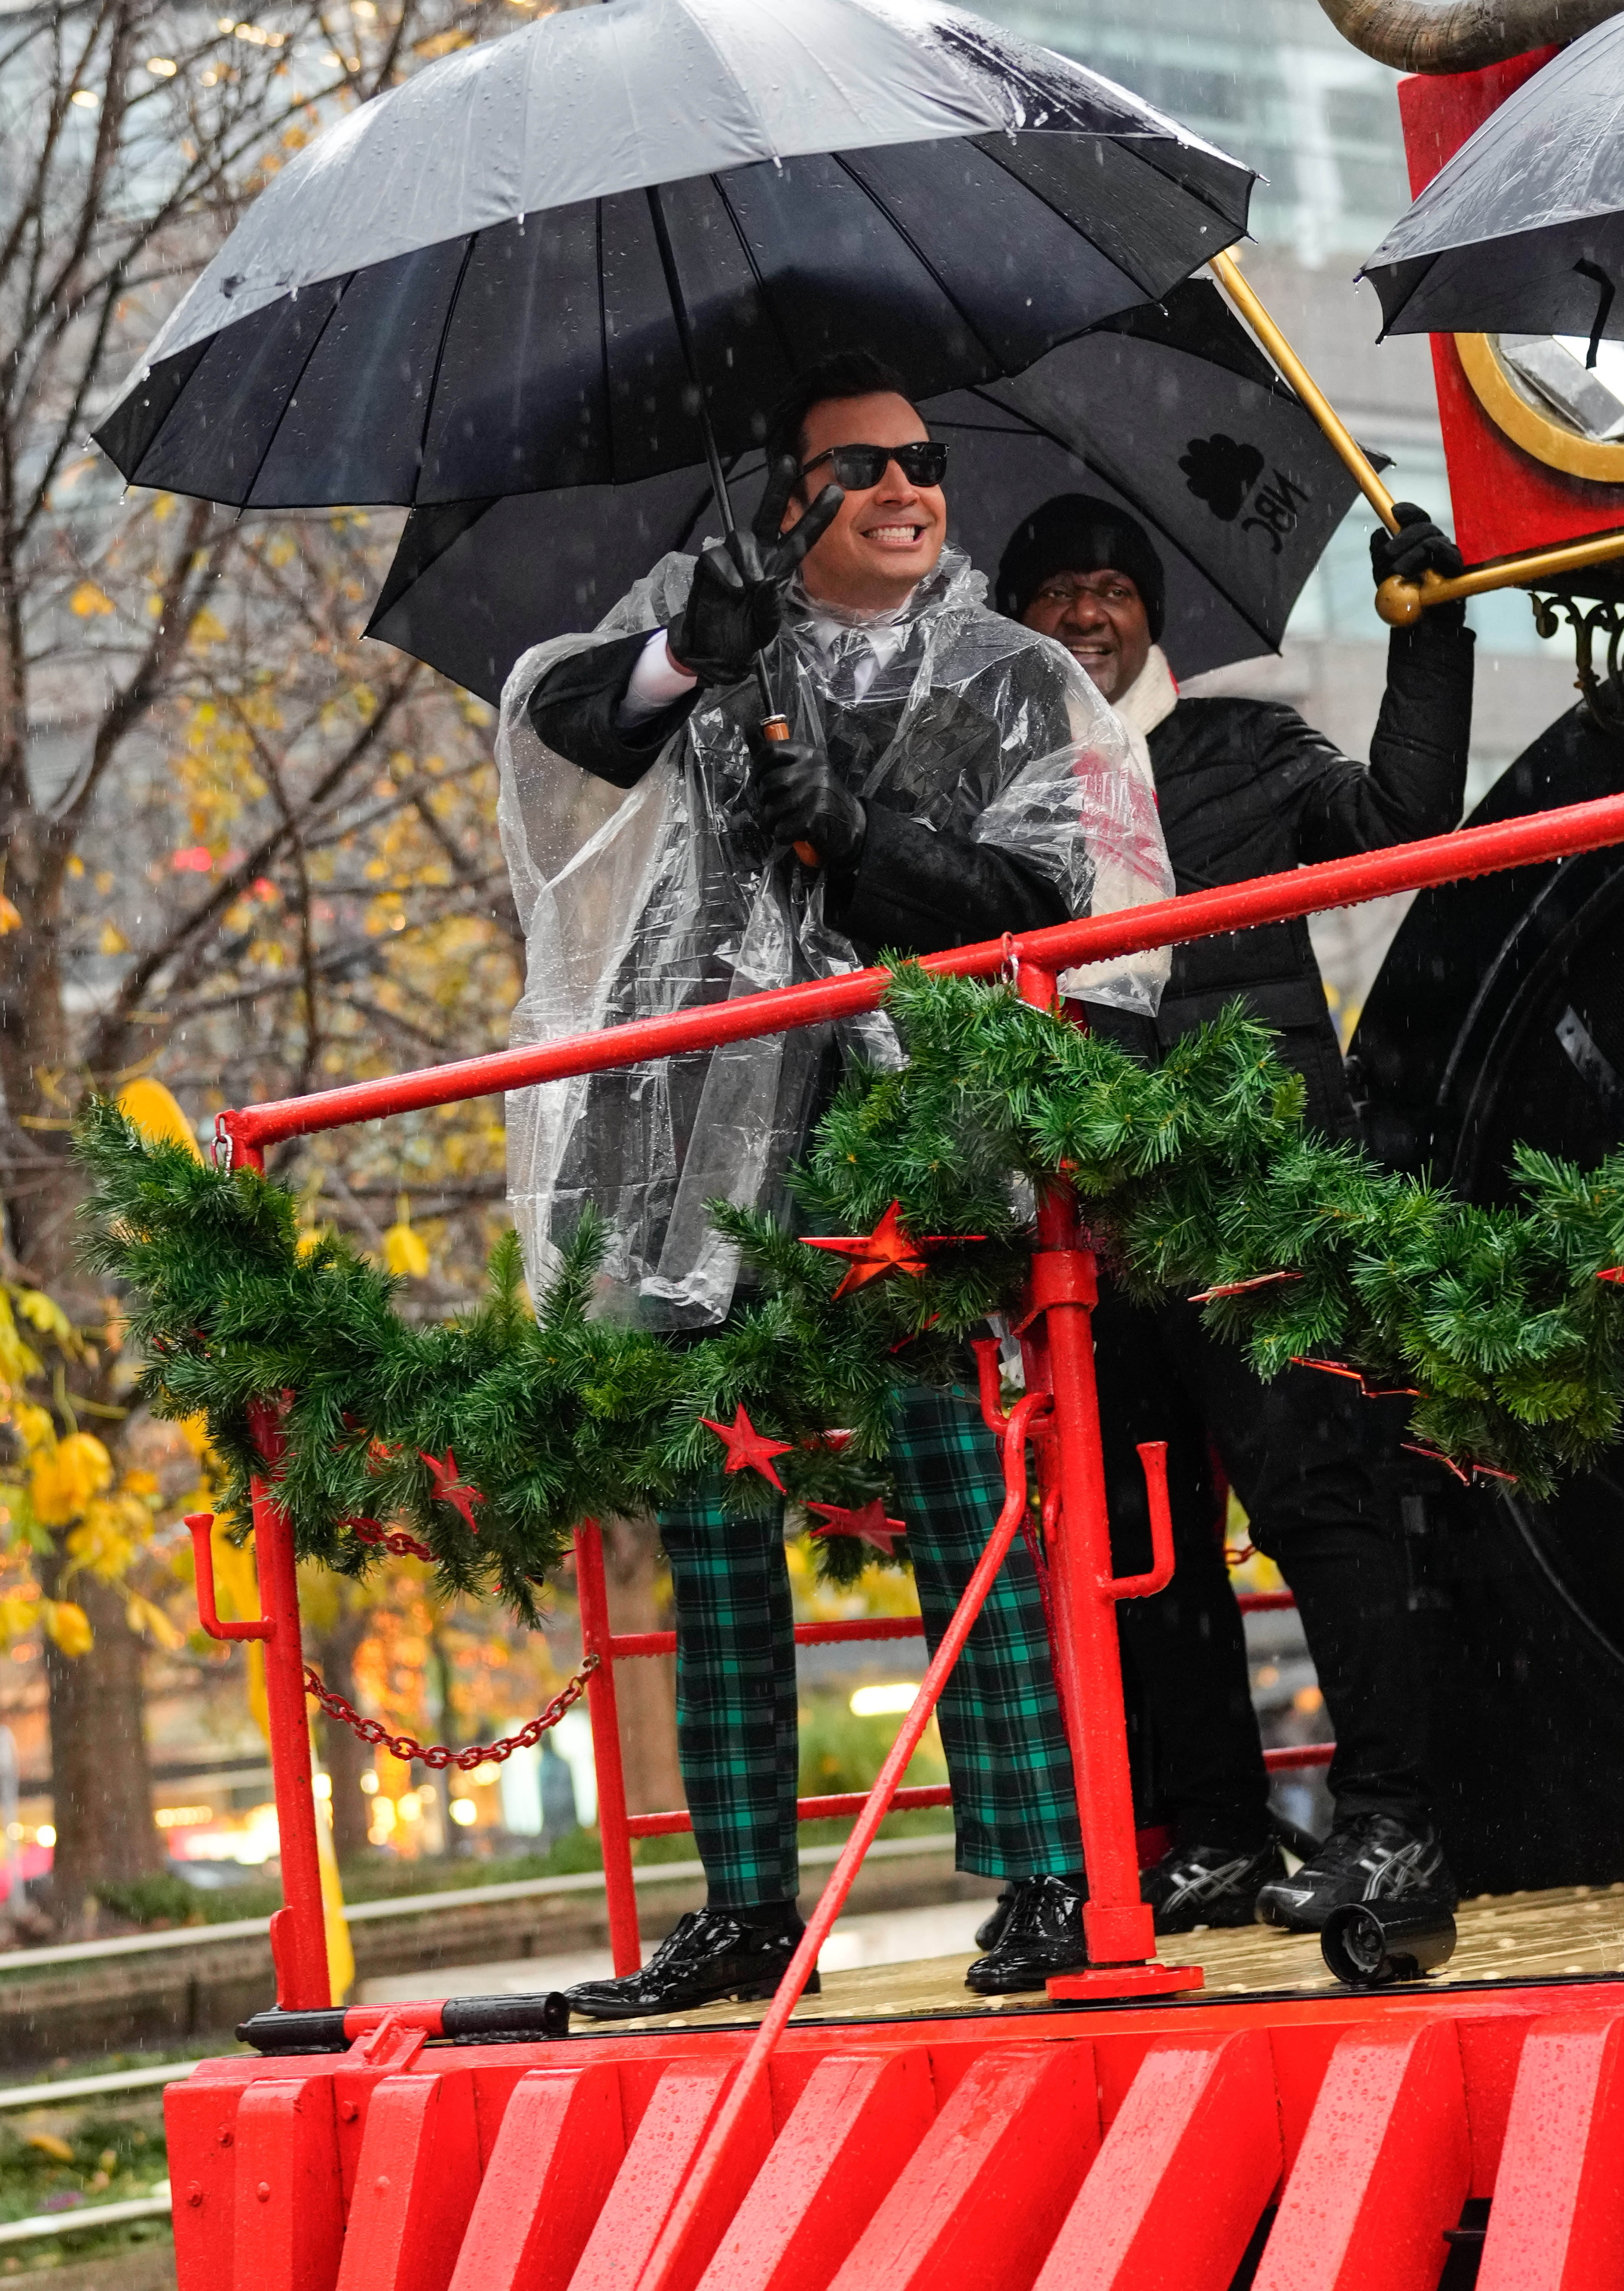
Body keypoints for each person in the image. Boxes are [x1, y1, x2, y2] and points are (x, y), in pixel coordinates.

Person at [494, 361, 1172, 2012]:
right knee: (715, 1517)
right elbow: (568, 732)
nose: (905, 488)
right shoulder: (718, 634)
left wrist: (860, 832)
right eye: (858, 465)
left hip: (899, 1142)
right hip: (692, 1143)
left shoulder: (1009, 674)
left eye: (923, 462)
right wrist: (688, 651)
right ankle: (739, 1903)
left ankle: (1039, 1874)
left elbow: (1050, 897)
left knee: (964, 1497)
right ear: (788, 495)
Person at [993, 490, 1474, 1936]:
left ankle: (1393, 1824)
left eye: (1107, 587)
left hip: (1256, 1196)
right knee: (1151, 1540)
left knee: (1320, 1505)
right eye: (1051, 595)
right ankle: (1218, 1833)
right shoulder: (1005, 796)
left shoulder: (1244, 748)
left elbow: (1399, 814)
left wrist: (1434, 635)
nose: (1083, 613)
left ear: (1152, 610)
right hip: (1093, 1224)